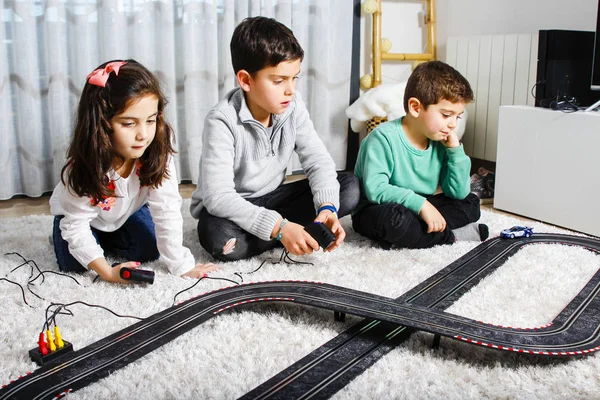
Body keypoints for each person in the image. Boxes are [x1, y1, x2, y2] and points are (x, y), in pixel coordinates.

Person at [190, 16, 360, 262]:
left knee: (349, 188)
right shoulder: (221, 120)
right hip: (233, 208)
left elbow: (318, 161)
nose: (290, 89)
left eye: (294, 78)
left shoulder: (293, 105)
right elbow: (218, 197)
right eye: (279, 81)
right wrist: (279, 228)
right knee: (217, 236)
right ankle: (285, 233)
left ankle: (276, 233)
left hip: (275, 199)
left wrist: (327, 208)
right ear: (246, 80)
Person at [50, 59, 216, 283]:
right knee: (73, 265)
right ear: (102, 124)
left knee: (149, 251)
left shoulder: (156, 151)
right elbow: (76, 225)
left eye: (150, 120)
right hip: (81, 219)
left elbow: (166, 209)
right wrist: (107, 272)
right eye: (129, 124)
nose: (143, 135)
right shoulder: (83, 167)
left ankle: (107, 240)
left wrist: (181, 265)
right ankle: (82, 239)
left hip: (126, 214)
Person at [352, 61, 488, 249]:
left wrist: (455, 152)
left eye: (457, 116)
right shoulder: (382, 138)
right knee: (394, 220)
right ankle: (451, 237)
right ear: (416, 107)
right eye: (446, 115)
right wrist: (422, 205)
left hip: (419, 207)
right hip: (379, 208)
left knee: (470, 202)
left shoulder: (440, 140)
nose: (452, 125)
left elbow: (457, 193)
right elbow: (376, 190)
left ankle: (416, 234)